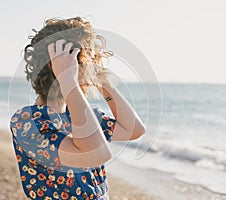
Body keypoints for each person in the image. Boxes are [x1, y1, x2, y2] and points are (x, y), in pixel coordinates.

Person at [9, 16, 146, 200]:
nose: (88, 70)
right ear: (57, 66)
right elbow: (98, 154)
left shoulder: (80, 116)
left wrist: (103, 82)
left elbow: (134, 130)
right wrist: (68, 80)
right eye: (84, 62)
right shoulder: (27, 121)